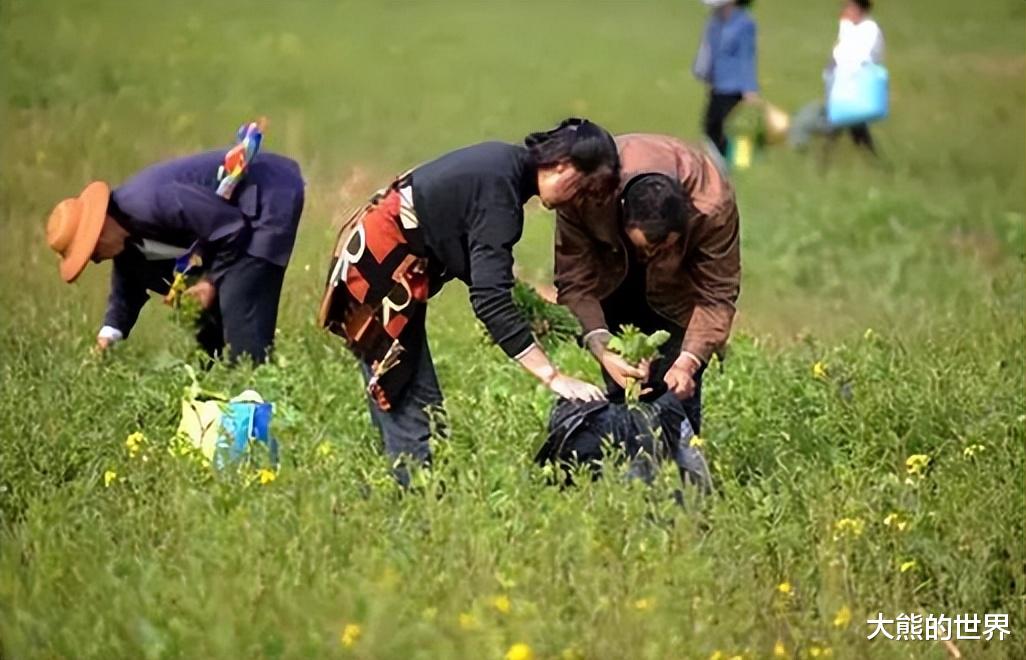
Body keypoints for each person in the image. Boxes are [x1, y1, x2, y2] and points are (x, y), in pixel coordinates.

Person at [318, 118, 620, 486]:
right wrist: (553, 377)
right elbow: (489, 299)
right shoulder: (501, 194)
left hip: (373, 259)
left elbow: (477, 265)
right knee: (412, 405)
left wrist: (529, 308)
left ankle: (418, 494)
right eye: (585, 189)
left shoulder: (503, 167)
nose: (580, 202)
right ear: (562, 165)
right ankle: (417, 505)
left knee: (417, 403)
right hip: (379, 273)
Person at [554, 133, 741, 438]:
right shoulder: (586, 191)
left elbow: (717, 293)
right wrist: (602, 347)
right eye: (644, 248)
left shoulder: (712, 206)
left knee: (676, 397)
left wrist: (688, 362)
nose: (651, 257)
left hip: (677, 294)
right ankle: (622, 461)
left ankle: (677, 472)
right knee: (622, 390)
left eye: (663, 249)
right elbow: (575, 281)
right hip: (610, 279)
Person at [45, 148, 305, 363]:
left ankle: (256, 398)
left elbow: (231, 227)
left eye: (91, 253)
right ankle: (220, 384)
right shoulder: (124, 234)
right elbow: (126, 288)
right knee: (197, 314)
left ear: (99, 234)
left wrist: (209, 281)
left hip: (266, 197)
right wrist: (107, 339)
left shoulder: (152, 202)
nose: (97, 260)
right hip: (231, 228)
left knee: (242, 318)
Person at [789, 0, 885, 153]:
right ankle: (875, 162)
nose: (843, 10)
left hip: (849, 93)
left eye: (847, 6)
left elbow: (859, 61)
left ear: (858, 8)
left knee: (806, 119)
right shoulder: (853, 29)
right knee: (856, 126)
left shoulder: (867, 31)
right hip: (847, 92)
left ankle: (802, 150)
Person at [692, 0, 760, 157]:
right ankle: (716, 159)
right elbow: (710, 51)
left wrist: (749, 89)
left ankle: (726, 160)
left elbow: (747, 57)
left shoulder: (745, 24)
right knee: (710, 124)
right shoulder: (715, 22)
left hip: (734, 86)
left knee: (722, 126)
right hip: (717, 84)